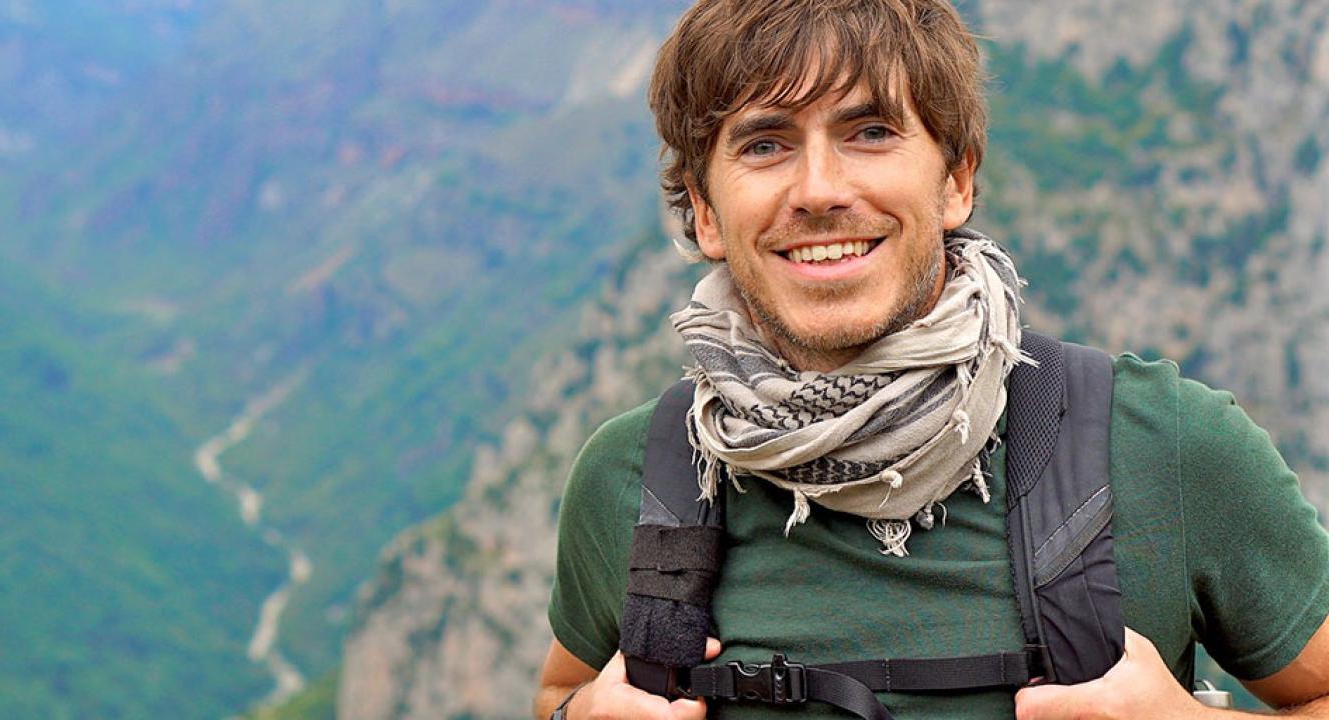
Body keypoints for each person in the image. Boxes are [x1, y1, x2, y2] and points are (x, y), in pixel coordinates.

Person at [533, 1, 1329, 718]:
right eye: (766, 143)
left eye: (870, 132)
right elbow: (560, 691)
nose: (818, 190)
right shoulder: (637, 478)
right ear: (706, 213)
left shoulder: (1163, 444)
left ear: (955, 180)